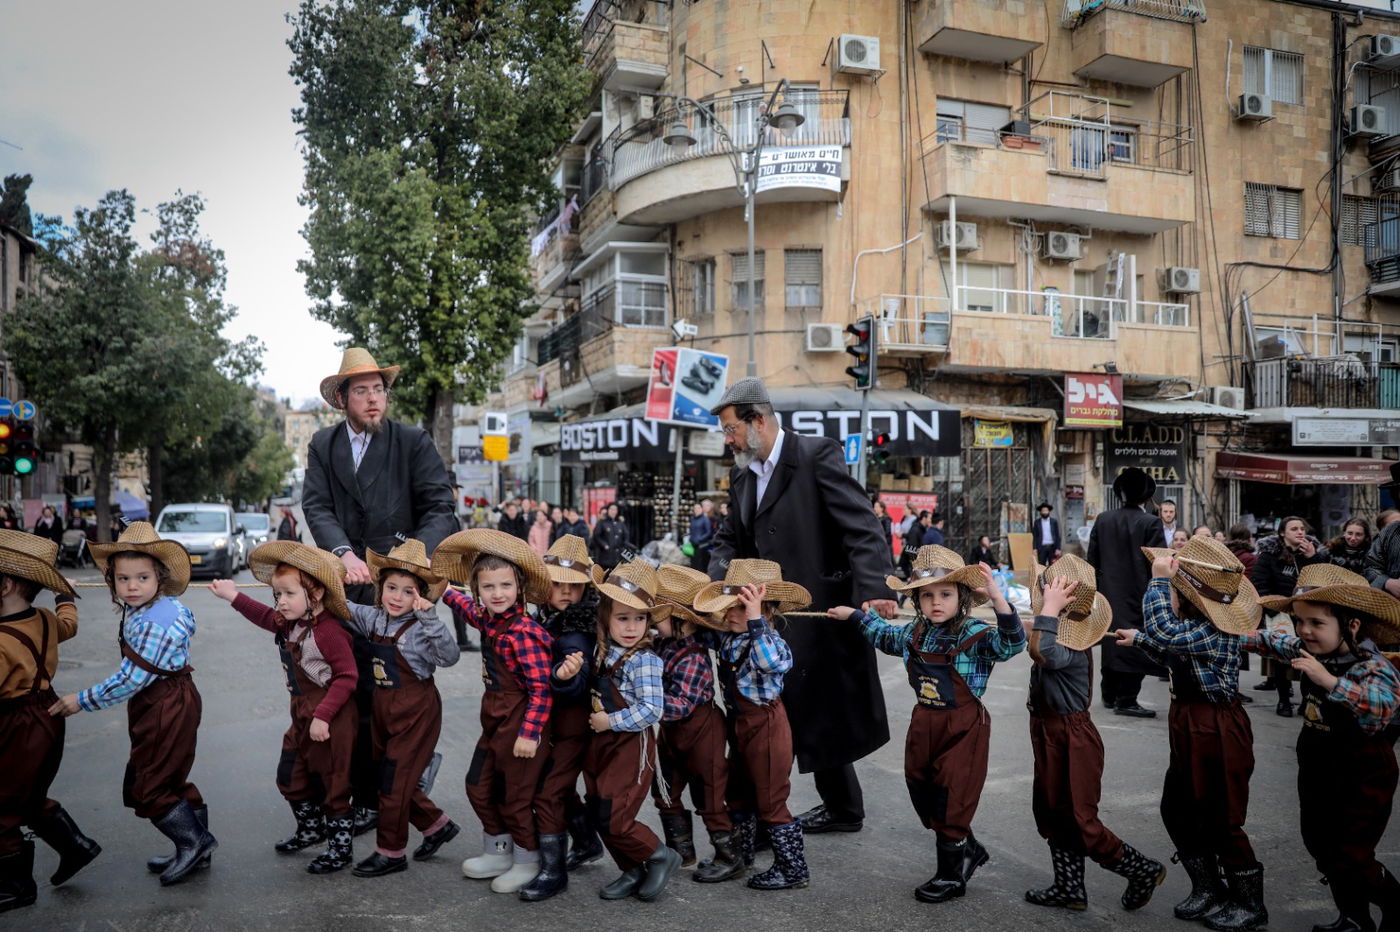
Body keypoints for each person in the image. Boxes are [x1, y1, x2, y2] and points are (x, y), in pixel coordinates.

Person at [707, 377, 896, 837]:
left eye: (730, 429)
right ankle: (779, 812)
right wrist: (717, 582)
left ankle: (837, 810)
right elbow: (730, 539)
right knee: (779, 713)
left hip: (819, 611)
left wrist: (875, 587)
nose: (727, 439)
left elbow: (862, 526)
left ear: (757, 421)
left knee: (821, 713)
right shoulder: (741, 475)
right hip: (768, 614)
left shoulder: (815, 454)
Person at [302, 347, 467, 835]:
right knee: (350, 692)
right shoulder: (322, 444)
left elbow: (441, 508)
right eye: (362, 391)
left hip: (400, 590)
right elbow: (316, 505)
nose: (374, 399)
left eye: (379, 389)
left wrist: (411, 561)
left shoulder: (412, 441)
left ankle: (394, 793)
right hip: (349, 587)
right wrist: (341, 552)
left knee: (395, 697)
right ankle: (360, 794)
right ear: (342, 399)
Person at [830, 546, 1024, 904]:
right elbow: (884, 637)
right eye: (927, 595)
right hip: (925, 722)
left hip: (964, 726)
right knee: (922, 788)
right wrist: (856, 616)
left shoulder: (976, 634)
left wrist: (997, 596)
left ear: (962, 596)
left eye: (945, 594)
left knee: (953, 793)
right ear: (917, 601)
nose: (936, 602)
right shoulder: (914, 632)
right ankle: (967, 848)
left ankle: (951, 876)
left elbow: (1012, 644)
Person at [49, 522, 216, 887]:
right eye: (123, 580)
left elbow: (131, 680)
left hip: (164, 704)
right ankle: (195, 848)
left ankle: (195, 842)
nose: (132, 587)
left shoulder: (154, 621)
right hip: (172, 696)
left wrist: (81, 700)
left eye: (142, 577)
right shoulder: (166, 606)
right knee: (171, 774)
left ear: (159, 576)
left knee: (151, 784)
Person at [1112, 538, 1266, 931]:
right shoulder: (1196, 631)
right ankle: (1209, 886)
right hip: (1189, 724)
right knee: (1177, 808)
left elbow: (1165, 632)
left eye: (1178, 594)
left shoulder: (1212, 630)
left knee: (1221, 816)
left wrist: (1159, 583)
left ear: (1190, 599)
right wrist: (1139, 639)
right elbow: (1172, 650)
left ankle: (1249, 903)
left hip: (1216, 728)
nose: (1173, 599)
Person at [1245, 564, 1400, 931]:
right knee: (1324, 849)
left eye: (1316, 623)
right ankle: (1354, 918)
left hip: (1363, 774)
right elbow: (1267, 641)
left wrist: (1328, 681)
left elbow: (1379, 710)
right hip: (1318, 768)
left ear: (1352, 625)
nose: (1304, 631)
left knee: (1353, 854)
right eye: (1300, 622)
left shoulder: (1373, 666)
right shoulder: (1304, 647)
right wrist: (1223, 631)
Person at [1021, 556, 1165, 913]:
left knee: (1079, 819)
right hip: (1048, 732)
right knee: (1053, 811)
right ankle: (1069, 888)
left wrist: (1049, 610)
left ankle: (1141, 868)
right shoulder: (1055, 631)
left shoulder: (1067, 646)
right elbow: (1031, 634)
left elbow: (1043, 651)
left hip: (1072, 738)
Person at [212, 542, 359, 874]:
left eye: (289, 594)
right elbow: (265, 616)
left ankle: (340, 848)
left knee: (334, 782)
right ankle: (311, 829)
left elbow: (348, 677)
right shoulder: (292, 621)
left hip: (332, 716)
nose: (281, 602)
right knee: (290, 775)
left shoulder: (330, 631)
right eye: (278, 594)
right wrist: (232, 596)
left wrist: (324, 717)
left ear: (316, 593)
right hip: (302, 711)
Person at [436, 529, 554, 895]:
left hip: (521, 723)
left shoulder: (525, 632)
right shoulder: (489, 617)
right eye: (489, 587)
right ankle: (498, 849)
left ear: (519, 586)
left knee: (516, 796)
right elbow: (464, 607)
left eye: (505, 585)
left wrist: (529, 733)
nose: (498, 594)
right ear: (478, 590)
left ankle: (527, 859)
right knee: (478, 785)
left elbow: (541, 689)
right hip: (494, 720)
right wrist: (439, 586)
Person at [341, 540, 461, 879]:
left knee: (394, 782)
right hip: (383, 708)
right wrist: (337, 579)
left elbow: (450, 657)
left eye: (407, 591)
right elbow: (343, 607)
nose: (397, 596)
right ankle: (436, 826)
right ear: (380, 588)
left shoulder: (423, 629)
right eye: (391, 587)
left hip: (416, 710)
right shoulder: (374, 618)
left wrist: (431, 618)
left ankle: (390, 851)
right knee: (387, 778)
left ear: (419, 597)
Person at [694, 559, 810, 891]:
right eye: (729, 607)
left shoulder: (770, 642)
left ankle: (792, 869)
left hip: (767, 728)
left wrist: (756, 619)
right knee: (738, 792)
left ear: (765, 612)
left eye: (740, 608)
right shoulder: (731, 637)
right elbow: (703, 632)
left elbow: (771, 664)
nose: (730, 614)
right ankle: (741, 855)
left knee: (771, 800)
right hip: (740, 726)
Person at [0, 533, 100, 913]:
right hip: (47, 717)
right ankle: (75, 846)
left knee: (4, 805)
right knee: (25, 794)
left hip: (15, 724)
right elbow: (68, 625)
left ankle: (16, 886)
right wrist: (65, 598)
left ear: (6, 585)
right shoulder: (42, 620)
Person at [583, 561, 682, 902]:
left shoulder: (645, 661)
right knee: (598, 807)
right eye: (622, 618)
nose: (631, 627)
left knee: (616, 815)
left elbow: (652, 709)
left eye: (639, 619)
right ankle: (632, 868)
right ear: (605, 618)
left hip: (629, 745)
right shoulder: (601, 650)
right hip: (600, 744)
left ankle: (660, 854)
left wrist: (611, 721)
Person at [520, 534, 600, 902]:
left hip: (573, 727)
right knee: (562, 788)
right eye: (557, 583)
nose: (566, 592)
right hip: (559, 726)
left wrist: (562, 678)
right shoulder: (551, 618)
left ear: (586, 589)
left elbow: (578, 682)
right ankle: (586, 842)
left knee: (548, 794)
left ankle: (554, 873)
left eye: (575, 586)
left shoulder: (575, 631)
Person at [649, 564, 738, 882]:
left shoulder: (693, 656)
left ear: (680, 619)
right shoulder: (662, 644)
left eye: (656, 614)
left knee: (710, 796)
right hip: (671, 733)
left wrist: (644, 707)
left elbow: (682, 704)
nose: (650, 620)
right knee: (664, 791)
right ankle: (681, 851)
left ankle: (729, 855)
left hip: (701, 730)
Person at [1088, 468, 1166, 718]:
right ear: (1146, 496)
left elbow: (1093, 560)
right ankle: (1127, 698)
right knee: (1135, 643)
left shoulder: (1103, 519)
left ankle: (1109, 694)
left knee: (1111, 639)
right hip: (1140, 594)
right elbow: (1159, 563)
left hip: (1108, 593)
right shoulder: (1151, 522)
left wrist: (1098, 591)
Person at [1252, 516, 1329, 717]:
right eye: (1294, 528)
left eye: (1302, 528)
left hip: (1307, 613)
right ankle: (1284, 700)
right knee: (1281, 658)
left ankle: (1306, 700)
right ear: (1282, 533)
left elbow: (1322, 579)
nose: (1300, 532)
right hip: (1280, 612)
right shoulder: (1269, 555)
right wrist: (1271, 608)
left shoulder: (1312, 552)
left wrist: (1312, 557)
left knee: (1309, 657)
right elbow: (1259, 583)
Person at [589, 503, 628, 571]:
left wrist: (623, 547)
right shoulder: (602, 523)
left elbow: (626, 536)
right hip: (605, 556)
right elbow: (596, 536)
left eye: (615, 509)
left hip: (618, 557)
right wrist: (604, 545)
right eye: (611, 509)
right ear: (608, 510)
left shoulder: (620, 523)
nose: (613, 511)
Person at [688, 500, 715, 572]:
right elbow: (691, 530)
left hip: (702, 545)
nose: (697, 510)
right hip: (693, 545)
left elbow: (709, 532)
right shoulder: (693, 519)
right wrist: (690, 538)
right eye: (695, 508)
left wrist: (700, 538)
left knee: (700, 564)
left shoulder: (705, 519)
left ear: (701, 509)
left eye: (698, 508)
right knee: (693, 563)